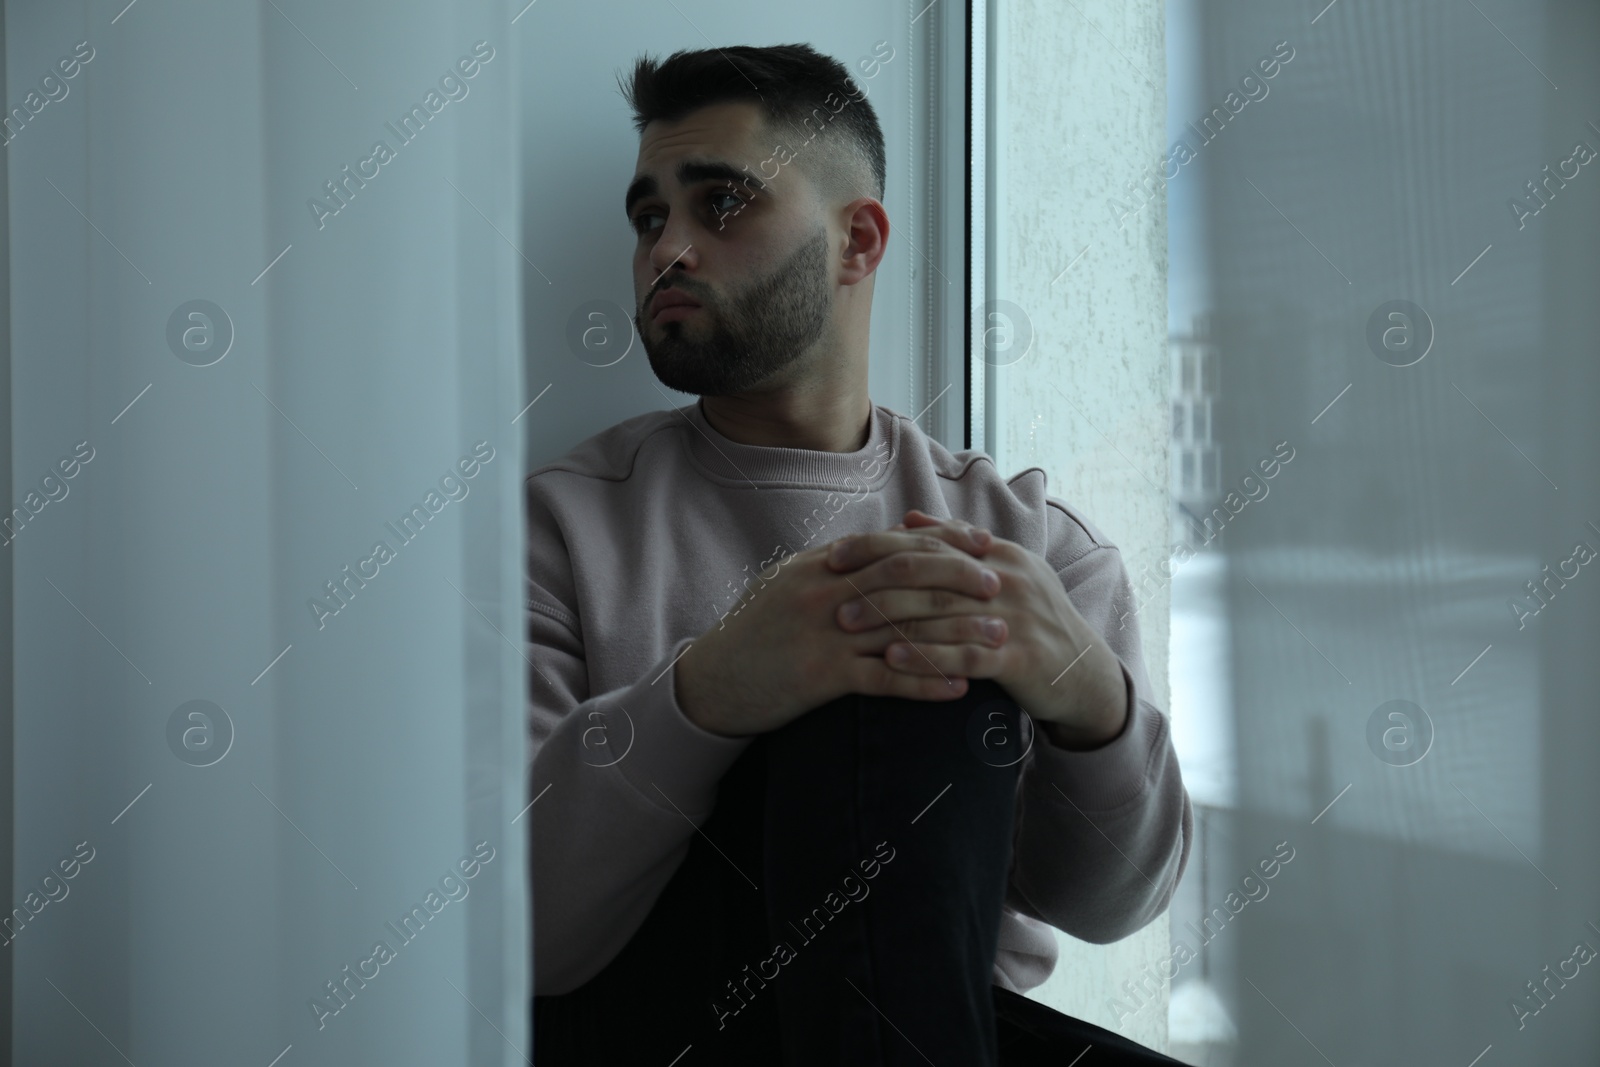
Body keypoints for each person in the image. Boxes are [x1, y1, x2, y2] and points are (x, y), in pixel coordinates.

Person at [527, 43, 1193, 1065]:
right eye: (649, 216)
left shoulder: (1033, 549)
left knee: (927, 635)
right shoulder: (560, 527)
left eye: (722, 204)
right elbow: (523, 929)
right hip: (651, 1031)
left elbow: (1111, 906)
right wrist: (710, 691)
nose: (666, 248)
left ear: (857, 240)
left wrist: (1089, 697)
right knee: (896, 656)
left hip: (943, 1025)